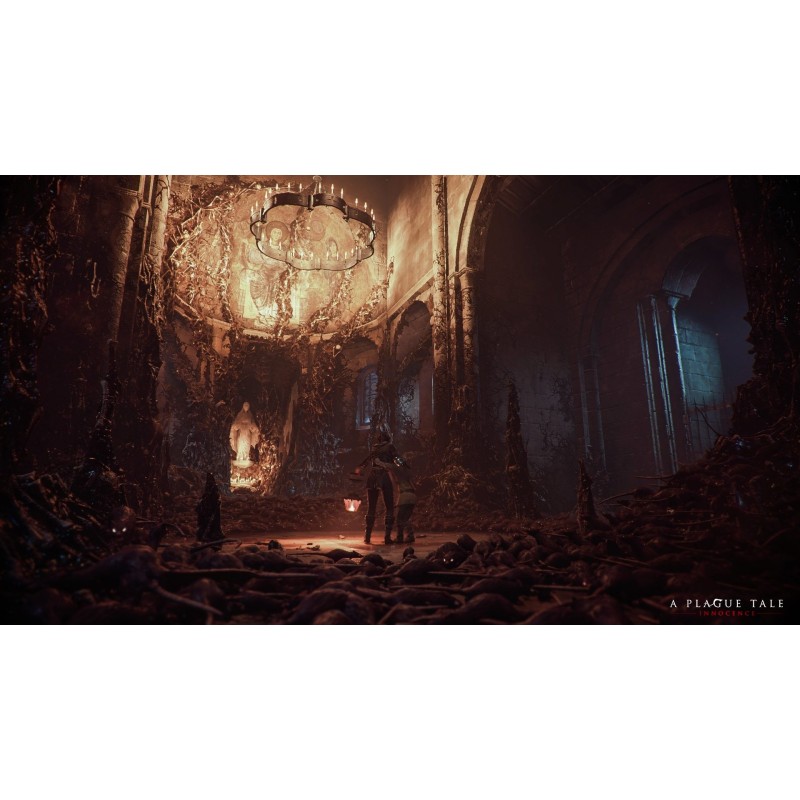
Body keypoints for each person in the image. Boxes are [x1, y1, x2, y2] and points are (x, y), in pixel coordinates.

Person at [353, 429, 398, 545]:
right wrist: (403, 465)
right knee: (389, 506)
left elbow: (367, 460)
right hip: (383, 475)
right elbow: (398, 461)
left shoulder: (375, 448)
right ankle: (387, 537)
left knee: (371, 507)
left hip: (372, 476)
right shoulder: (390, 447)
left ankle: (367, 536)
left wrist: (359, 468)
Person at [390, 456, 417, 544]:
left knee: (400, 519)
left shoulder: (400, 473)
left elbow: (391, 469)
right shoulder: (408, 473)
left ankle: (401, 537)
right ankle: (408, 536)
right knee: (406, 518)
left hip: (405, 496)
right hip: (412, 496)